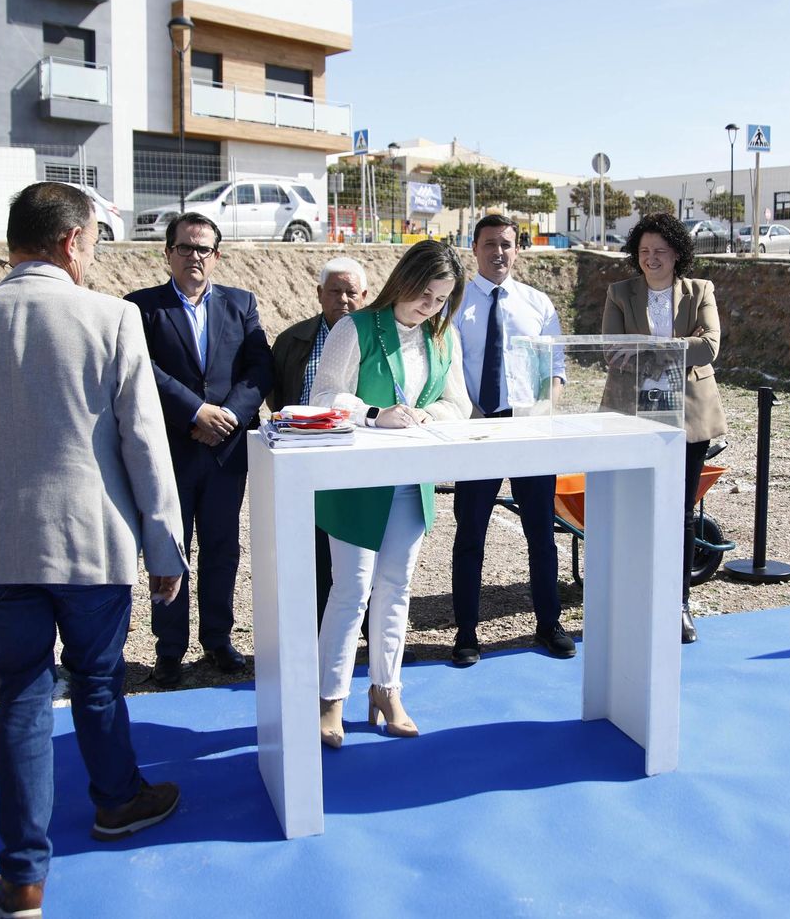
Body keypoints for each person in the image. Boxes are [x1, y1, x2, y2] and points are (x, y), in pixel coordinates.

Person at [0, 182, 187, 918]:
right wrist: (165, 545)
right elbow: (144, 442)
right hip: (88, 538)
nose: (94, 254)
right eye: (95, 240)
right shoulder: (112, 317)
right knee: (98, 680)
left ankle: (23, 878)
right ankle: (118, 801)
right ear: (73, 240)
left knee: (21, 692)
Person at [309, 240, 470, 747]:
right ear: (405, 280)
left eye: (441, 300)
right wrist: (375, 415)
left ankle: (387, 690)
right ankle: (329, 698)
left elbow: (459, 405)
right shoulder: (354, 328)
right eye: (425, 294)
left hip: (411, 480)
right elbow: (323, 396)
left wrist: (426, 414)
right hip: (356, 482)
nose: (430, 306)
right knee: (351, 590)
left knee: (396, 588)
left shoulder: (443, 336)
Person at [126, 212, 272, 688]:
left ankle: (217, 639)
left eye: (203, 248)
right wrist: (195, 412)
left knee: (221, 548)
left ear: (217, 255)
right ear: (167, 253)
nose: (194, 256)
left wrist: (226, 416)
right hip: (171, 449)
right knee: (169, 548)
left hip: (225, 452)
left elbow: (259, 368)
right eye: (185, 247)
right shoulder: (140, 308)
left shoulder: (241, 303)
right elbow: (141, 368)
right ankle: (169, 649)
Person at [450, 213, 573, 667]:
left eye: (506, 244)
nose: (498, 252)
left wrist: (542, 413)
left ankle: (549, 624)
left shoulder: (538, 304)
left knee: (541, 534)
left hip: (528, 431)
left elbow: (556, 368)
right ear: (474, 248)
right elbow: (447, 368)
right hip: (476, 428)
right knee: (470, 535)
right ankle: (466, 632)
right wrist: (468, 417)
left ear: (517, 249)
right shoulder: (454, 303)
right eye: (489, 243)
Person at [601, 213, 729, 645]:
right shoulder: (619, 293)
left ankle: (679, 603)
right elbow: (612, 351)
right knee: (635, 508)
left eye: (660, 251)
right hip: (633, 416)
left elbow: (709, 348)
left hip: (688, 416)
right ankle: (635, 596)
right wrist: (677, 347)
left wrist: (646, 349)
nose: (651, 258)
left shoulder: (701, 291)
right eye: (644, 251)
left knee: (681, 512)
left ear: (677, 254)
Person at [267, 255, 369, 625]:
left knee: (362, 548)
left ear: (365, 296)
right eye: (334, 291)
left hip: (357, 458)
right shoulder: (292, 339)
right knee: (313, 547)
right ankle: (314, 630)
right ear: (319, 293)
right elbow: (277, 396)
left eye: (351, 292)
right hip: (306, 458)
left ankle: (367, 632)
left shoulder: (375, 337)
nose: (343, 299)